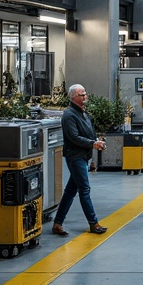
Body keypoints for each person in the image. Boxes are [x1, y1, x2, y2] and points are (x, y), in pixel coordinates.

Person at [52, 84, 108, 236]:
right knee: (84, 189)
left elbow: (87, 133)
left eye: (85, 93)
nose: (85, 96)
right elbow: (74, 137)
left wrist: (95, 142)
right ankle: (93, 223)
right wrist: (93, 143)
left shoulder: (83, 113)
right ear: (73, 97)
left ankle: (57, 223)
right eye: (81, 95)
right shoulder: (69, 115)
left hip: (84, 156)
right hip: (75, 156)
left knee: (71, 191)